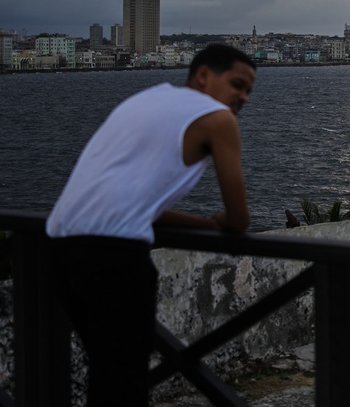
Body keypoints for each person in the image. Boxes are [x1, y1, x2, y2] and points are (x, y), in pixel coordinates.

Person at [46, 44, 256, 407]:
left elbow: (139, 207)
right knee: (123, 386)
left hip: (62, 249)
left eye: (249, 90)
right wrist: (220, 224)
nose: (243, 97)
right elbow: (238, 220)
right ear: (204, 75)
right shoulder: (218, 119)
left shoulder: (145, 100)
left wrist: (206, 224)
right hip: (116, 259)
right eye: (238, 84)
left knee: (108, 377)